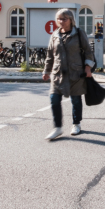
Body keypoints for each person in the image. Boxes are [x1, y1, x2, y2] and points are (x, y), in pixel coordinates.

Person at [42, 8, 94, 140]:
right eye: (59, 19)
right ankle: (58, 127)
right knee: (54, 100)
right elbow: (50, 55)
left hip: (75, 73)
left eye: (64, 19)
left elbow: (88, 51)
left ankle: (76, 124)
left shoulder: (79, 33)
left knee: (75, 99)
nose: (61, 21)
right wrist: (46, 71)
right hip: (58, 73)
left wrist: (88, 67)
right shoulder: (54, 35)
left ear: (71, 20)